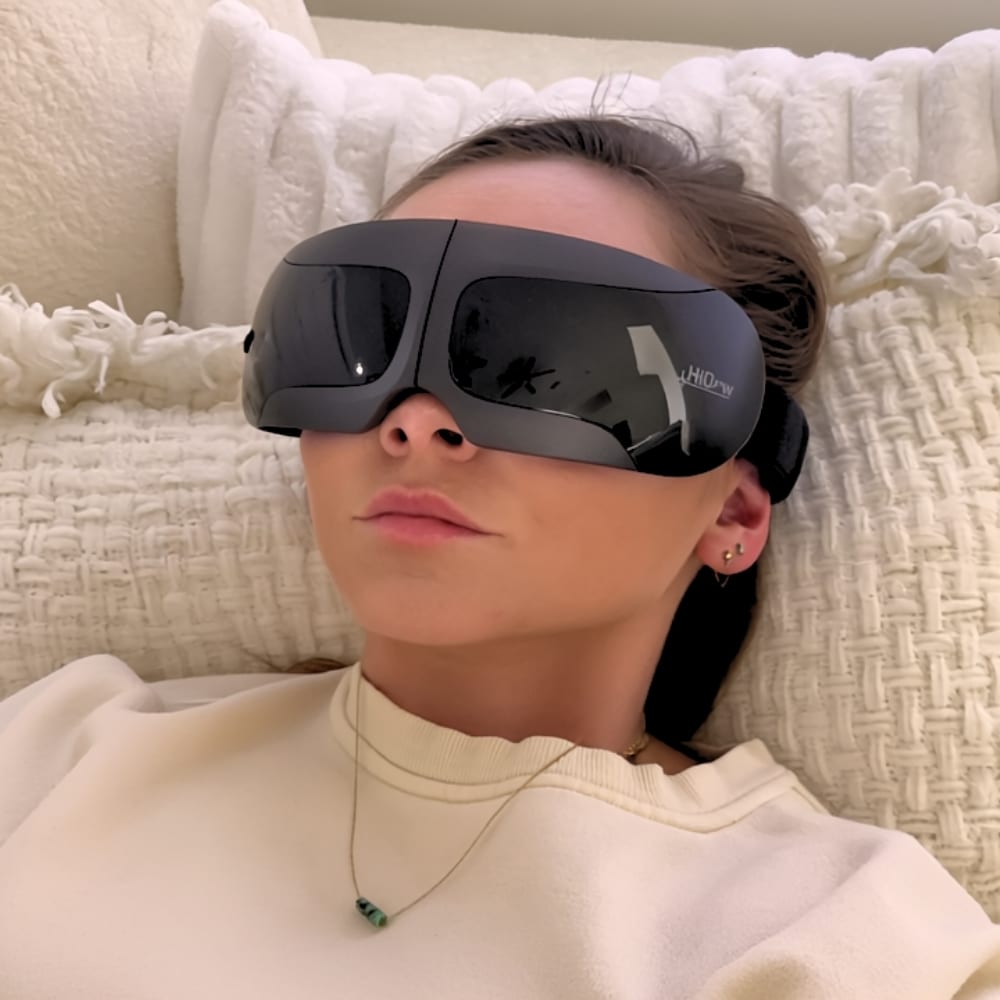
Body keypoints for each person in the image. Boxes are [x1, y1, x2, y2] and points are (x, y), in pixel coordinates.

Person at [2, 114, 999, 999]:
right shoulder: (66, 745)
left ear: (733, 507)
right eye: (365, 338)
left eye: (552, 366)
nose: (415, 421)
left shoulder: (844, 937)